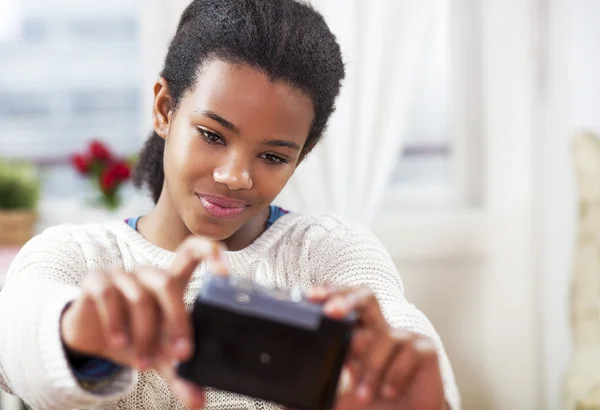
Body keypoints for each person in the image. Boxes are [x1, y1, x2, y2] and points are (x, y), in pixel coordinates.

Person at [0, 0, 460, 409]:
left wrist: (412, 389)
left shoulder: (331, 252)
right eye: (212, 135)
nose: (235, 176)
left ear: (302, 154)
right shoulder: (76, 256)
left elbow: (404, 333)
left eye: (274, 156)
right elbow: (16, 338)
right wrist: (73, 333)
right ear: (164, 109)